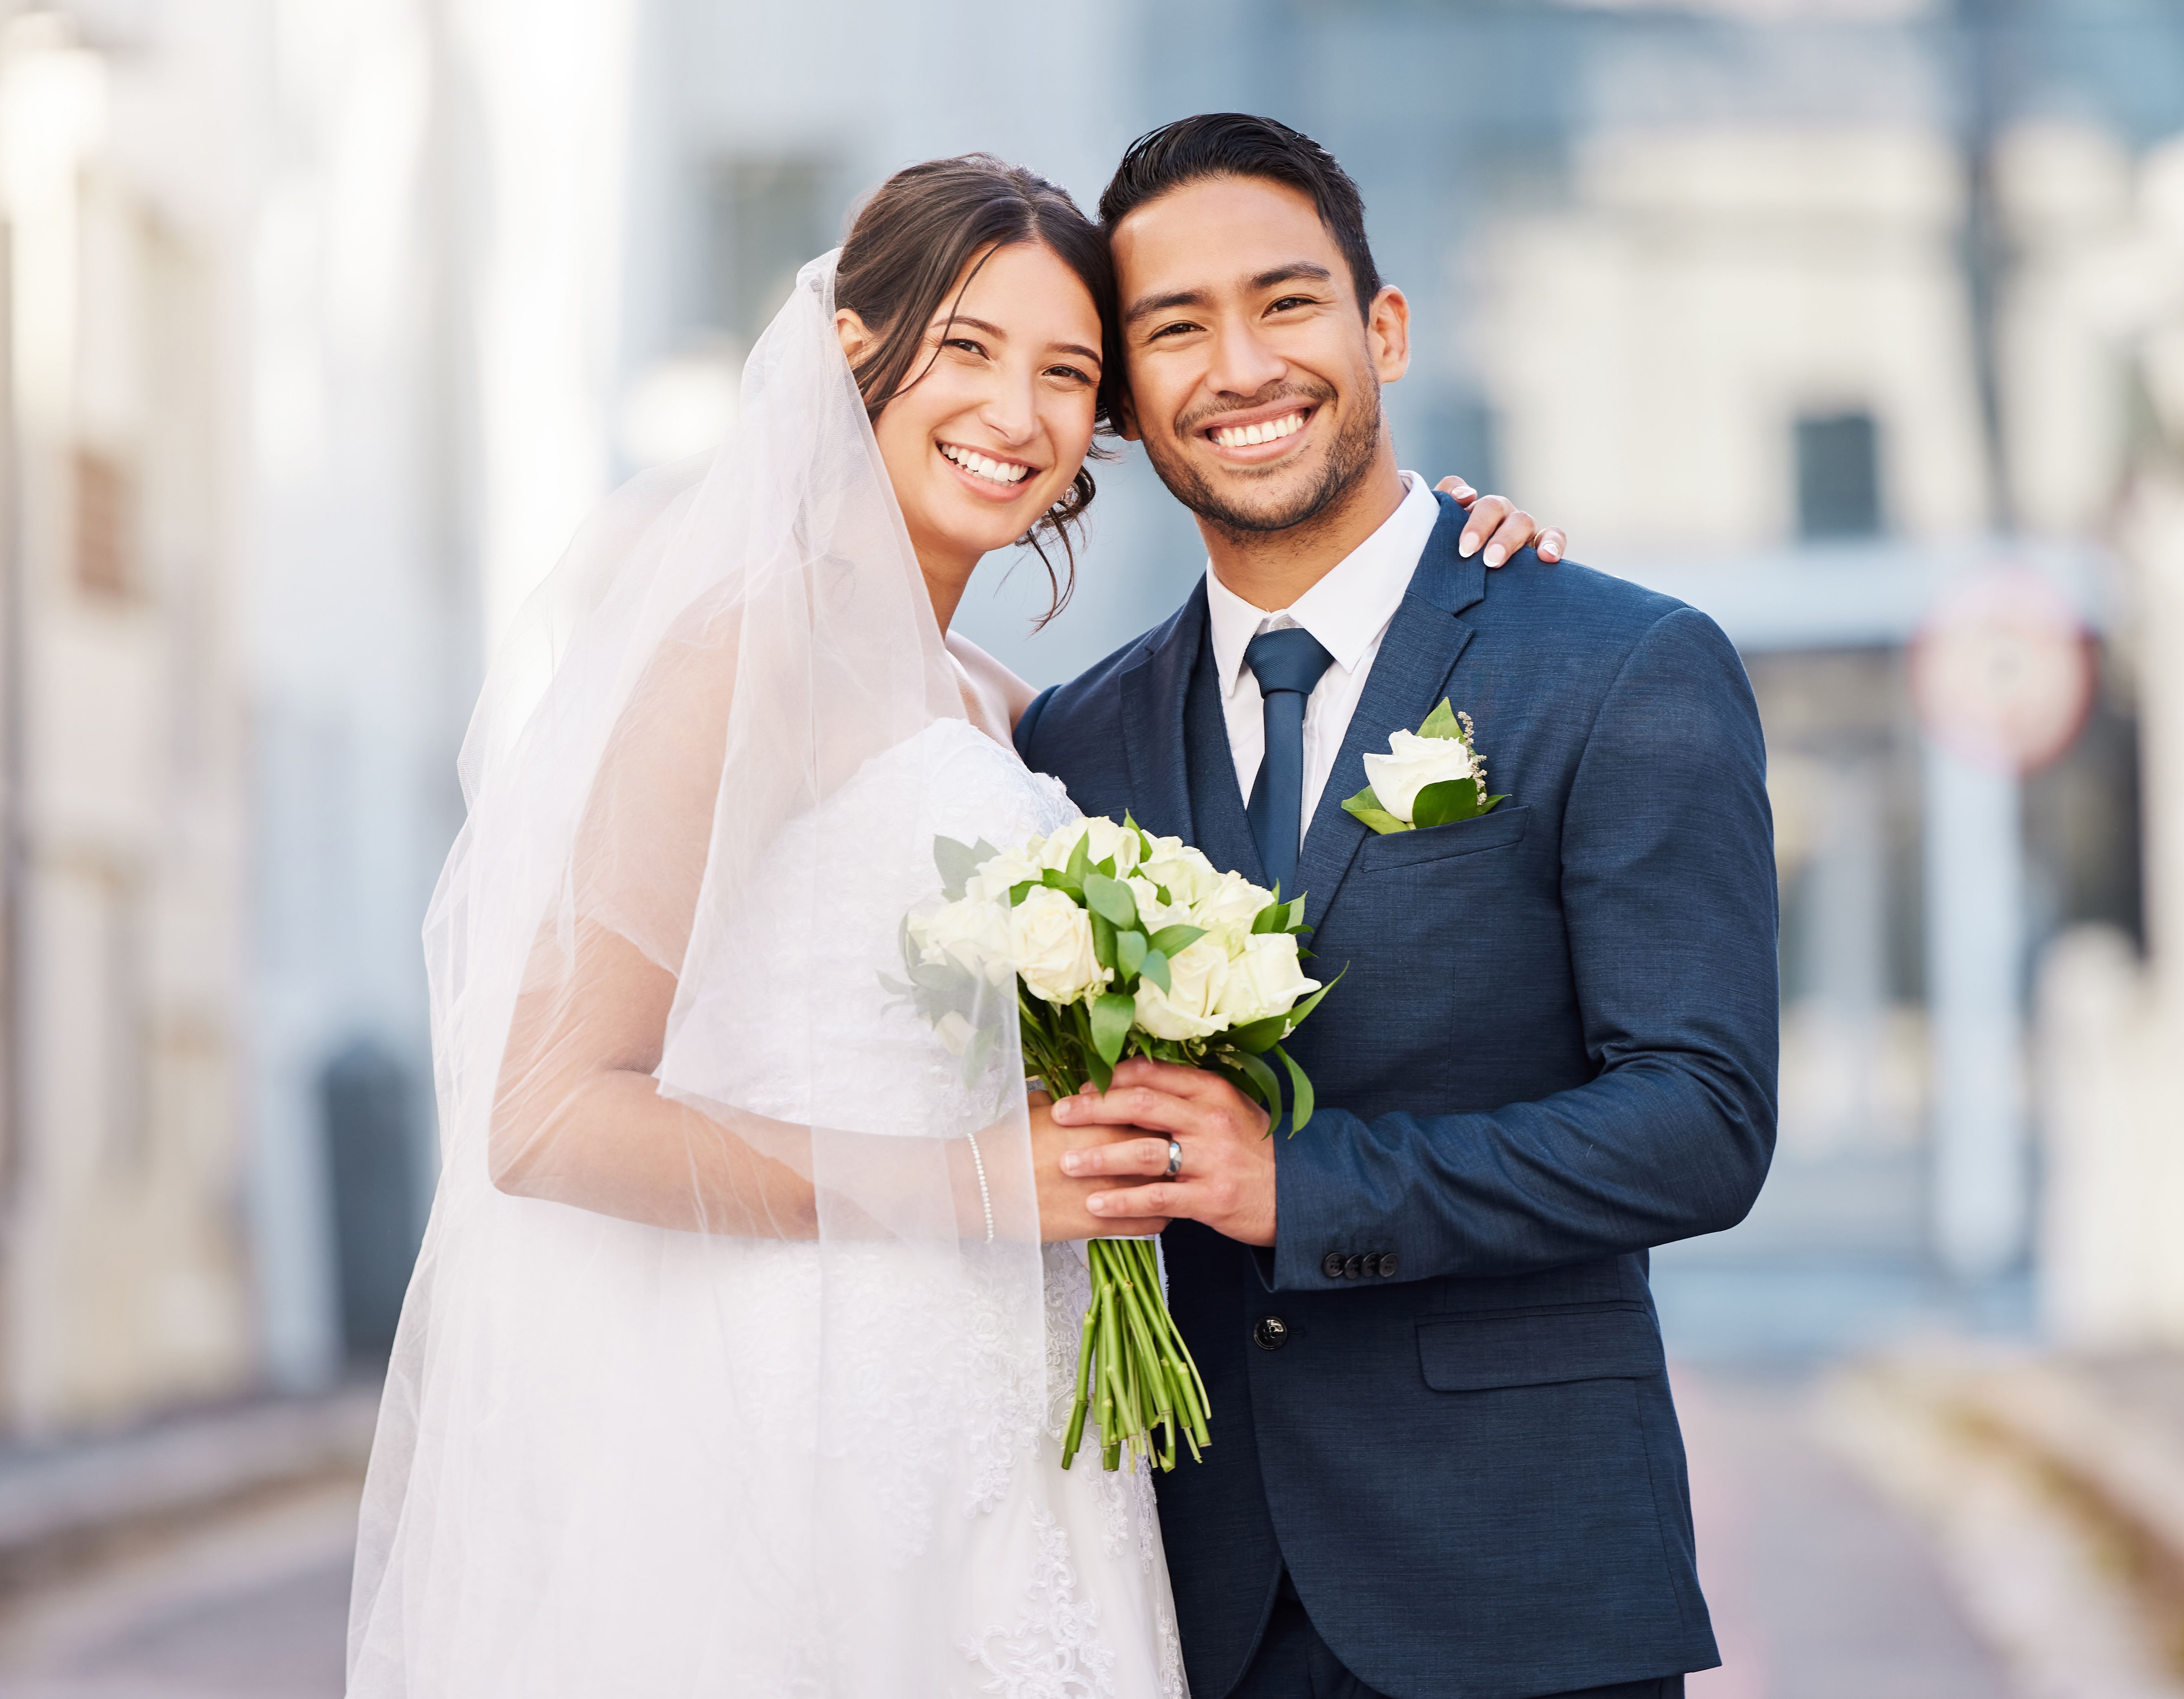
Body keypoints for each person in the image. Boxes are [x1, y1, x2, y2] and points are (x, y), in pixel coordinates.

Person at [346, 151, 1558, 1698]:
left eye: (1067, 374)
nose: (1016, 414)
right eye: (968, 349)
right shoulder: (745, 652)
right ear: (855, 348)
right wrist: (968, 1187)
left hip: (1022, 1413)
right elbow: (543, 1116)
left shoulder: (1003, 707)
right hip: (807, 1404)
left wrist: (1440, 550)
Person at [1017, 115, 1778, 1699]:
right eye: (1173, 327)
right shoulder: (1066, 744)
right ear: (1122, 400)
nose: (1239, 365)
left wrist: (1306, 1185)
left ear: (1385, 330)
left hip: (1521, 1583)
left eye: (1286, 303)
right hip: (1176, 1602)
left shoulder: (1613, 668)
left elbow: (1700, 1119)